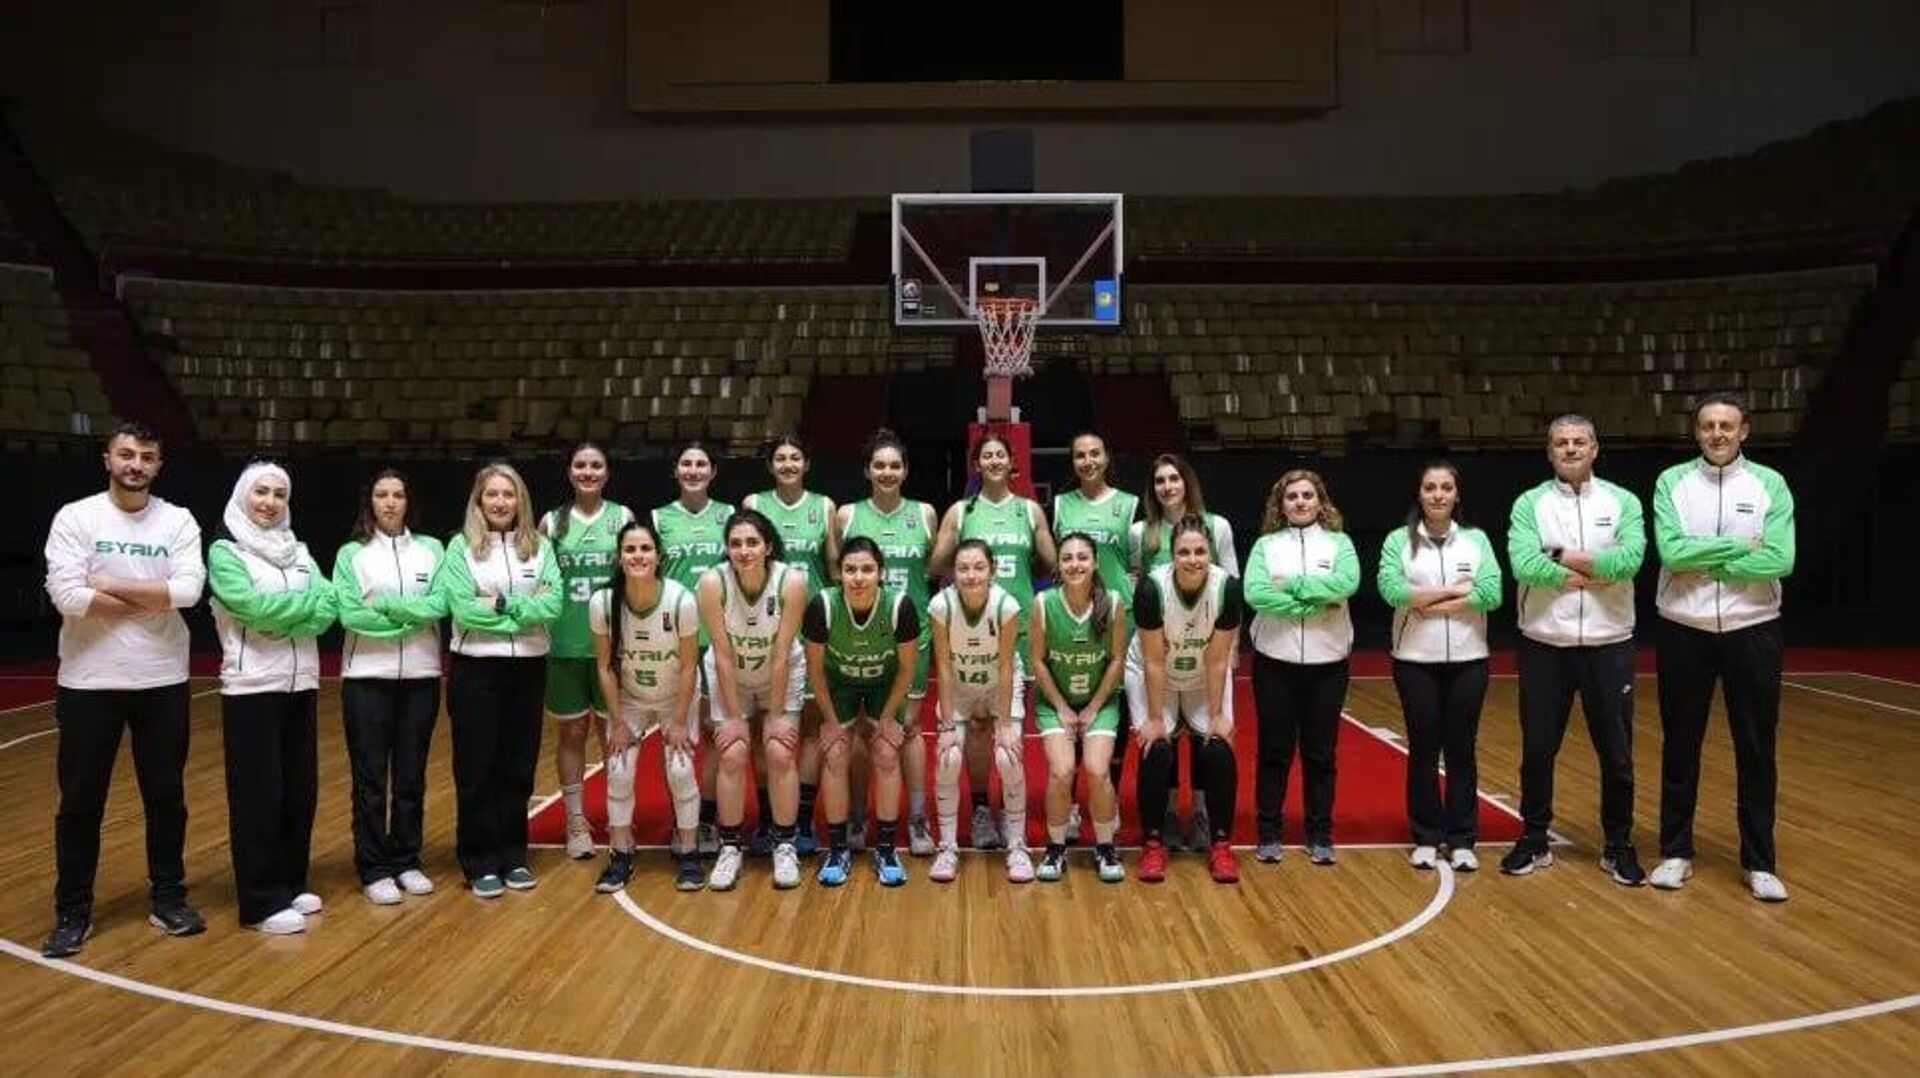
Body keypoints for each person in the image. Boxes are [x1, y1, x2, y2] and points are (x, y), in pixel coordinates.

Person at [41, 422, 207, 957]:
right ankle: (72, 913)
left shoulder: (178, 520)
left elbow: (188, 591)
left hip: (162, 678)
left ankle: (169, 899)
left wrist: (109, 583)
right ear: (107, 459)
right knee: (80, 803)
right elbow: (68, 596)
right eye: (127, 454)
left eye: (147, 456)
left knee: (166, 797)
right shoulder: (76, 517)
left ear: (159, 464)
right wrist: (153, 598)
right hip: (89, 680)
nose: (136, 465)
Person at [1650, 393, 1796, 902]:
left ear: (1744, 431)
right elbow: (1672, 553)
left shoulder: (1770, 484)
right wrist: (1739, 551)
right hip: (1683, 629)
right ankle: (1675, 852)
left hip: (1752, 628)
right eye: (1708, 425)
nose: (1717, 434)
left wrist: (1706, 562)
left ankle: (1760, 862)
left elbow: (1779, 559)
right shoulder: (1671, 482)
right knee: (1680, 743)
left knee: (1756, 748)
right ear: (1696, 432)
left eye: (1726, 426)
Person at [1503, 415, 1647, 886]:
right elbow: (1524, 565)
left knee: (1617, 754)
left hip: (1610, 645)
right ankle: (1534, 838)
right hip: (1545, 644)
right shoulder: (1530, 503)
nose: (1570, 449)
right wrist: (1594, 573)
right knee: (1538, 750)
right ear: (1549, 452)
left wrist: (1558, 554)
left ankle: (1618, 844)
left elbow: (1629, 562)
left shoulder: (1623, 501)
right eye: (1561, 443)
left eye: (1578, 441)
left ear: (1594, 448)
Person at [207, 462, 338, 933]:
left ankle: (290, 882)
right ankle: (261, 901)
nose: (269, 502)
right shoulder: (225, 552)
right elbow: (251, 608)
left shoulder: (299, 550)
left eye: (279, 494)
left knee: (298, 790)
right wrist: (299, 614)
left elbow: (329, 606)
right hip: (252, 686)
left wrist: (285, 619)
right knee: (257, 796)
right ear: (243, 496)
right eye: (260, 492)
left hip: (300, 682)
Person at [434, 462, 563, 898]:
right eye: (492, 494)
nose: (501, 502)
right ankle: (479, 860)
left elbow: (554, 604)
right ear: (479, 500)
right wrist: (524, 609)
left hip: (528, 667)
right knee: (476, 767)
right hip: (475, 667)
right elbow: (463, 609)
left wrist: (502, 604)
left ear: (520, 501)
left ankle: (514, 855)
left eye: (508, 494)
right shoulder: (460, 547)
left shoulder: (540, 547)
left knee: (518, 767)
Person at [931, 431, 1056, 851]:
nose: (995, 461)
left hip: (1017, 624)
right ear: (976, 464)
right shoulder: (961, 511)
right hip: (971, 627)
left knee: (1011, 728)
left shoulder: (1029, 510)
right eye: (987, 455)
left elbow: (1052, 563)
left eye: (1001, 454)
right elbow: (936, 564)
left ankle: (1017, 809)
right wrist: (956, 550)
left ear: (1012, 461)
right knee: (976, 728)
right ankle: (983, 808)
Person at [1376, 462, 1502, 874]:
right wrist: (1454, 592)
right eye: (1430, 487)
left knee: (1462, 749)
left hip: (1469, 659)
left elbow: (1492, 592)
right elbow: (1393, 591)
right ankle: (1426, 836)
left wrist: (1427, 601)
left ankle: (1462, 838)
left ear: (1456, 494)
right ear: (1419, 493)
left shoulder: (1476, 540)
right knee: (1424, 749)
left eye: (1446, 487)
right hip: (1415, 661)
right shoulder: (1398, 540)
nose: (1438, 495)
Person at [333, 468, 448, 905]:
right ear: (371, 501)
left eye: (398, 494)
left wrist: (385, 606)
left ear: (408, 501)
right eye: (382, 494)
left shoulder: (432, 549)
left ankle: (407, 859)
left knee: (410, 778)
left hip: (421, 677)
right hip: (366, 678)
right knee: (370, 781)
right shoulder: (351, 554)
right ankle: (373, 867)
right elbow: (350, 614)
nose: (390, 502)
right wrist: (409, 617)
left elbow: (441, 602)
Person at [1244, 469, 1359, 867]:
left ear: (1320, 501)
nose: (1300, 502)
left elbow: (1346, 584)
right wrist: (1315, 603)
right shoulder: (1266, 546)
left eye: (1307, 495)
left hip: (1328, 665)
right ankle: (1268, 832)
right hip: (1274, 664)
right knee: (1274, 752)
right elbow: (1256, 593)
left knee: (1320, 754)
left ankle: (1320, 833)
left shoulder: (1340, 543)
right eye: (1292, 496)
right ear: (1281, 504)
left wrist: (1289, 586)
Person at [1130, 452, 1240, 849]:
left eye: (1174, 478)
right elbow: (1153, 657)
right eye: (1160, 480)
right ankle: (1163, 824)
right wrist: (1154, 716)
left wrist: (1231, 649)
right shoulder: (1143, 541)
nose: (1168, 486)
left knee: (1213, 741)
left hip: (1205, 647)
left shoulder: (1219, 537)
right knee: (1160, 743)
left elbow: (1218, 648)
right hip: (1158, 647)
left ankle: (1207, 820)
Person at [837, 429, 938, 856]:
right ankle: (859, 815)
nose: (887, 472)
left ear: (906, 471)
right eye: (879, 465)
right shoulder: (847, 515)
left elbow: (931, 569)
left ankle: (916, 818)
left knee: (909, 729)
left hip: (911, 635)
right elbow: (838, 568)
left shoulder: (925, 514)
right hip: (859, 634)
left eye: (895, 465)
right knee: (863, 729)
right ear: (867, 470)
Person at [590, 519, 703, 893]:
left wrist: (679, 721)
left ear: (659, 556)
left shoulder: (681, 600)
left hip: (676, 696)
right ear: (619, 557)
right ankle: (621, 853)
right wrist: (618, 721)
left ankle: (688, 850)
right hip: (630, 698)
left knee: (680, 770)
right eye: (630, 549)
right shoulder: (603, 602)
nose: (638, 556)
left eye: (645, 549)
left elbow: (689, 666)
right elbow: (605, 667)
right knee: (619, 770)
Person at [698, 509, 809, 891]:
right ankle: (730, 847)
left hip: (781, 668)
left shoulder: (791, 581)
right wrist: (733, 717)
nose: (743, 550)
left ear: (768, 547)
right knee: (732, 753)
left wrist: (775, 715)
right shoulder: (712, 582)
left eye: (752, 542)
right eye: (735, 544)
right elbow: (722, 654)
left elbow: (781, 653)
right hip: (731, 674)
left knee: (779, 750)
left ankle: (785, 844)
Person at [802, 538, 920, 886]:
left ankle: (885, 848)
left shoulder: (900, 606)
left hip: (884, 683)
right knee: (836, 752)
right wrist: (830, 722)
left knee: (886, 752)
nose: (858, 577)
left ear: (880, 573)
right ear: (839, 574)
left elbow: (906, 670)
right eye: (850, 569)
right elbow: (815, 671)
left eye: (867, 569)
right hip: (839, 683)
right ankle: (838, 849)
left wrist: (887, 719)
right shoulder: (823, 605)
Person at [540, 442, 634, 861]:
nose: (588, 472)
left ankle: (618, 817)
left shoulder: (622, 518)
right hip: (565, 643)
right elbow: (541, 580)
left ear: (607, 472)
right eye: (580, 465)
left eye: (596, 465)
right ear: (569, 472)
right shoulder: (552, 522)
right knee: (572, 733)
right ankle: (576, 820)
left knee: (612, 732)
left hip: (611, 644)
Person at [744, 434, 837, 857]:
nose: (787, 464)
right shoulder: (754, 504)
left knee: (814, 729)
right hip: (764, 628)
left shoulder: (824, 506)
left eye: (795, 457)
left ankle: (801, 818)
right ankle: (768, 818)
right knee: (764, 730)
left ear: (807, 463)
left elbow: (833, 568)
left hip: (812, 628)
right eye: (780, 458)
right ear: (770, 465)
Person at [1050, 431, 1139, 844]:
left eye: (1094, 454)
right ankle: (1069, 805)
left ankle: (1109, 799)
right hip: (1071, 616)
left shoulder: (1129, 504)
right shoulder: (1061, 505)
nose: (1087, 461)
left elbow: (1138, 562)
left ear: (1107, 458)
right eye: (1080, 455)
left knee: (1113, 713)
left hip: (1117, 616)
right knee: (1071, 707)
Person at [926, 540, 1028, 882]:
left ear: (992, 571)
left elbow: (1005, 667)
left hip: (999, 683)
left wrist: (1005, 724)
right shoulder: (941, 605)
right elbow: (942, 666)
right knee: (948, 756)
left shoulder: (1006, 605)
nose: (971, 575)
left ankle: (1017, 845)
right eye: (963, 568)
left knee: (1008, 756)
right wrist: (946, 726)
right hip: (959, 684)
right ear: (953, 573)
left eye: (979, 567)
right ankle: (947, 847)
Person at [1030, 533, 1130, 883]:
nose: (1075, 564)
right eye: (1068, 558)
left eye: (1082, 557)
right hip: (1055, 701)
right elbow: (1038, 661)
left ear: (1096, 562)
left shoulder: (1113, 603)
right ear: (1058, 565)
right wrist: (1061, 707)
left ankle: (1105, 847)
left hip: (1099, 700)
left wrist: (1092, 708)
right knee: (1061, 771)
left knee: (1097, 769)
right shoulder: (1044, 603)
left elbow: (1117, 659)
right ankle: (1055, 848)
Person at [653, 442, 733, 855]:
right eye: (686, 463)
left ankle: (706, 819)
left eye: (702, 463)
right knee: (678, 734)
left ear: (713, 472)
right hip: (674, 641)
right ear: (675, 471)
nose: (694, 470)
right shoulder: (658, 519)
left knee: (716, 732)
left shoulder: (729, 515)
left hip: (718, 638)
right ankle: (681, 818)